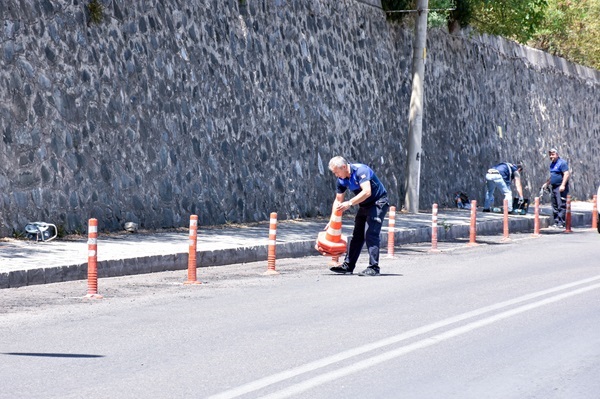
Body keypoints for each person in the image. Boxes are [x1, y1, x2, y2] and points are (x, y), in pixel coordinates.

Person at [326, 156, 389, 276]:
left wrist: (350, 203)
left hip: (378, 202)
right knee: (357, 235)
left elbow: (367, 192)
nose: (336, 175)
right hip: (364, 205)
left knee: (370, 233)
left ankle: (374, 268)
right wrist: (332, 220)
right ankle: (348, 266)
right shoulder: (341, 179)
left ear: (344, 167)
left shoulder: (361, 171)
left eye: (336, 172)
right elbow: (338, 200)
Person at [542, 148, 570, 228]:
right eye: (550, 155)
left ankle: (561, 222)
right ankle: (557, 222)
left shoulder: (562, 163)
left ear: (557, 155)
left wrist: (563, 185)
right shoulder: (552, 164)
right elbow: (553, 176)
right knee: (554, 206)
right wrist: (547, 183)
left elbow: (566, 174)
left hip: (560, 187)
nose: (551, 156)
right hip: (553, 187)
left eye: (553, 154)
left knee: (561, 204)